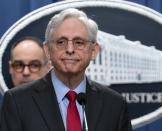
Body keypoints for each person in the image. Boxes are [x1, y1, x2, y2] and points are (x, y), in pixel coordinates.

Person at [0, 8, 132, 131]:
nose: (69, 50)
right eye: (61, 42)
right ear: (47, 50)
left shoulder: (115, 104)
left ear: (94, 50)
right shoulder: (17, 101)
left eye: (79, 42)